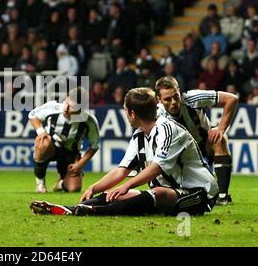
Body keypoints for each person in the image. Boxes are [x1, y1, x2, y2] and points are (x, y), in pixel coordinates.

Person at [30, 87, 219, 216]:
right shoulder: (139, 135)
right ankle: (73, 208)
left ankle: (93, 212)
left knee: (156, 193)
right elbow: (122, 171)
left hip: (199, 194)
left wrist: (126, 186)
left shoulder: (168, 129)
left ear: (132, 114)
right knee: (120, 194)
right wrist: (94, 188)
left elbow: (157, 168)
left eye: (125, 110)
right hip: (169, 192)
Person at [155, 76, 238, 205]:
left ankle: (222, 196)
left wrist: (220, 129)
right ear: (158, 100)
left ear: (179, 91)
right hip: (181, 154)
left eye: (176, 96)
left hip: (204, 144)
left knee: (220, 139)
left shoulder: (192, 98)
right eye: (167, 99)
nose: (173, 102)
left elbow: (232, 99)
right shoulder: (156, 115)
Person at [29, 87, 100, 193]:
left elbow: (94, 146)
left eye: (72, 108)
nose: (66, 109)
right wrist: (41, 131)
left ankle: (61, 183)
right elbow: (32, 115)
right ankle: (40, 183)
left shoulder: (89, 121)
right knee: (43, 143)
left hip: (70, 153)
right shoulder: (53, 107)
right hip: (51, 147)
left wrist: (80, 164)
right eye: (67, 103)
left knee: (74, 188)